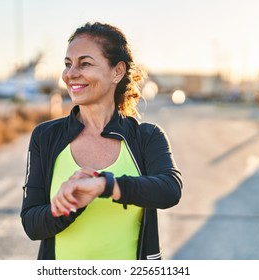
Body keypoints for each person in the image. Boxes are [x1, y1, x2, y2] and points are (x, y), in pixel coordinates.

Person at [20, 22, 183, 260]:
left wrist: (105, 186)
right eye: (68, 64)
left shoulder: (147, 137)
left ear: (117, 71)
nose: (70, 73)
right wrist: (69, 205)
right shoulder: (45, 137)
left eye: (85, 63)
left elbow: (170, 190)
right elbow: (32, 224)